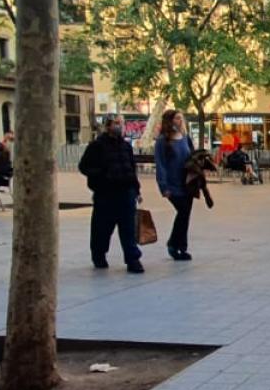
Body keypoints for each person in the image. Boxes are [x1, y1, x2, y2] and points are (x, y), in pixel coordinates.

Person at [77, 113, 143, 273]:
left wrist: (136, 190)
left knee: (128, 229)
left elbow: (131, 169)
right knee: (102, 229)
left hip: (126, 193)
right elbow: (84, 166)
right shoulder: (97, 146)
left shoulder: (126, 146)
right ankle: (98, 255)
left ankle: (133, 259)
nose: (120, 126)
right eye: (116, 123)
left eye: (121, 123)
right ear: (108, 126)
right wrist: (102, 176)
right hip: (106, 194)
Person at [152, 109, 195, 261]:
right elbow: (161, 164)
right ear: (169, 121)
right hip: (173, 185)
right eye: (177, 118)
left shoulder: (185, 138)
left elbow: (192, 157)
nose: (180, 121)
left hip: (187, 184)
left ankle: (181, 247)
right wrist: (163, 186)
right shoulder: (162, 141)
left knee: (185, 215)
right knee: (182, 212)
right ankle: (173, 244)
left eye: (181, 118)